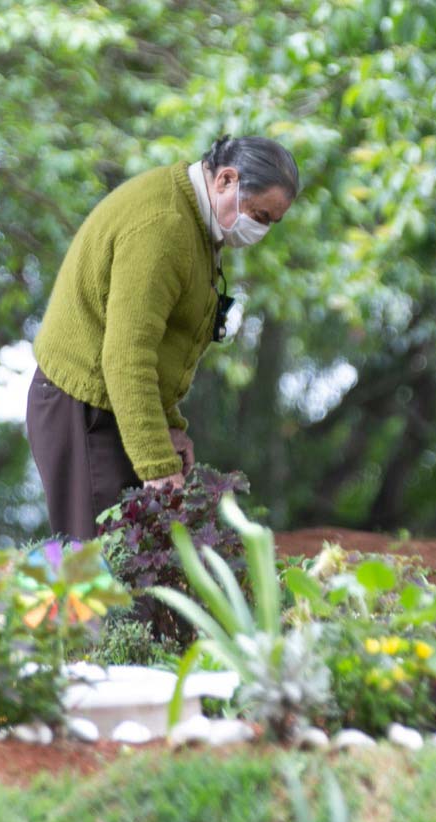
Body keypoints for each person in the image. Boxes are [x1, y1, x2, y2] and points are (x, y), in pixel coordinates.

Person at [27, 135, 300, 540]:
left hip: (116, 405)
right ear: (226, 179)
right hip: (80, 407)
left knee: (127, 571)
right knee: (95, 567)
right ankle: (12, 598)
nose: (261, 230)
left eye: (270, 223)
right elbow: (126, 357)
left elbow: (159, 345)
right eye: (259, 215)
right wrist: (157, 465)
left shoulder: (195, 222)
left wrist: (168, 427)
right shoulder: (165, 226)